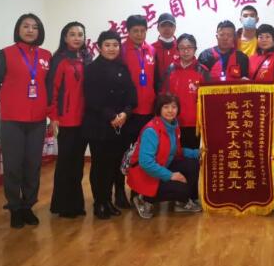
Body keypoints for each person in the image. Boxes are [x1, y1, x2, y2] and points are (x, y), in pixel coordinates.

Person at [0, 13, 52, 228]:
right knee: (13, 165)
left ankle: (28, 206)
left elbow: (49, 87)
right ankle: (15, 207)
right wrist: (9, 102)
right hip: (12, 120)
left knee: (33, 165)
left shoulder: (46, 56)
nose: (30, 30)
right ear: (18, 29)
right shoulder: (5, 54)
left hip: (38, 120)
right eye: (26, 26)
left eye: (35, 27)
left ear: (39, 31)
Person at [82, 30, 137, 220]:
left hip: (120, 124)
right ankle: (99, 202)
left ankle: (109, 201)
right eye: (107, 45)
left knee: (114, 164)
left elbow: (131, 95)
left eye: (115, 45)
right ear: (99, 47)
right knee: (100, 165)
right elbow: (92, 99)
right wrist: (112, 116)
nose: (112, 49)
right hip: (99, 124)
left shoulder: (122, 67)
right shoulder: (91, 69)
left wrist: (125, 113)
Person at [128, 94, 202, 219]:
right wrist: (171, 175)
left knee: (193, 164)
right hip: (145, 174)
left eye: (174, 107)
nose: (170, 110)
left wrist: (196, 152)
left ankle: (181, 201)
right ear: (159, 109)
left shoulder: (173, 125)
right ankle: (143, 198)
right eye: (166, 107)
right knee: (182, 188)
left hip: (162, 165)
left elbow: (176, 151)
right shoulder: (151, 130)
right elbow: (146, 163)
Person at [47, 21, 93, 218]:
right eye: (72, 34)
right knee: (65, 163)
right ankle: (62, 205)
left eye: (80, 34)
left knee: (77, 164)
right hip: (65, 120)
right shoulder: (59, 59)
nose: (76, 38)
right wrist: (53, 116)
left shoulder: (87, 59)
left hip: (84, 120)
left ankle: (76, 204)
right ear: (65, 37)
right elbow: (52, 90)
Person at [119, 14, 157, 208]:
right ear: (128, 31)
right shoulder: (121, 50)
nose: (139, 34)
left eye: (143, 31)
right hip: (127, 112)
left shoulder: (151, 50)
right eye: (135, 31)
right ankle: (119, 193)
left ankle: (138, 192)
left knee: (142, 155)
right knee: (123, 154)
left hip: (148, 111)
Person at [162, 33, 210, 149]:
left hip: (196, 123)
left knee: (194, 156)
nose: (186, 51)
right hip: (173, 121)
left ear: (195, 49)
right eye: (182, 48)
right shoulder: (170, 69)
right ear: (177, 50)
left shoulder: (202, 71)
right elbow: (164, 96)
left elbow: (208, 100)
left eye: (189, 47)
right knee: (174, 153)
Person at [152, 13, 179, 92]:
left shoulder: (181, 48)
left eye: (170, 26)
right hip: (158, 93)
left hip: (178, 92)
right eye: (163, 25)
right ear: (158, 28)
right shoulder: (151, 49)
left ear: (175, 28)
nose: (167, 29)